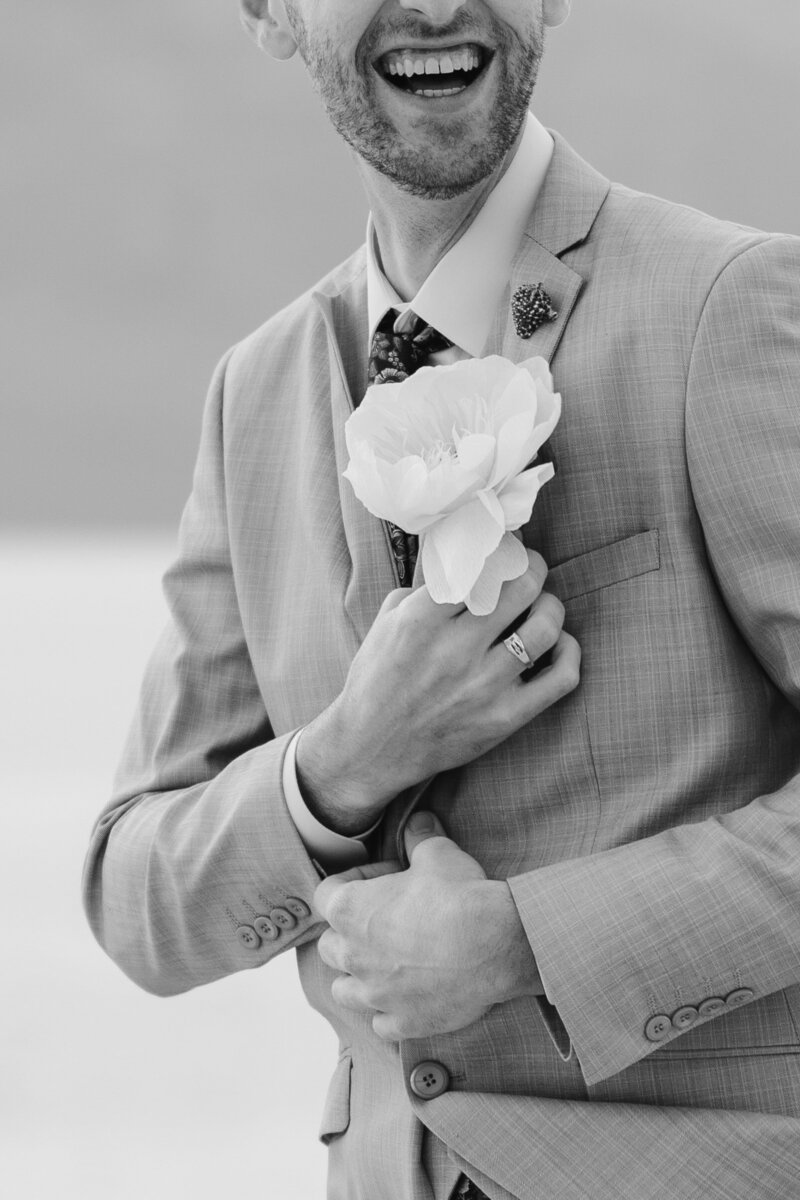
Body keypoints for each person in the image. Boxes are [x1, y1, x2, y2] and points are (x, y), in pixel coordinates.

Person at [82, 1, 800, 1196]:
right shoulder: (252, 395)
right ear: (267, 11)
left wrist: (528, 944)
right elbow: (135, 903)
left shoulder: (731, 306)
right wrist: (342, 766)